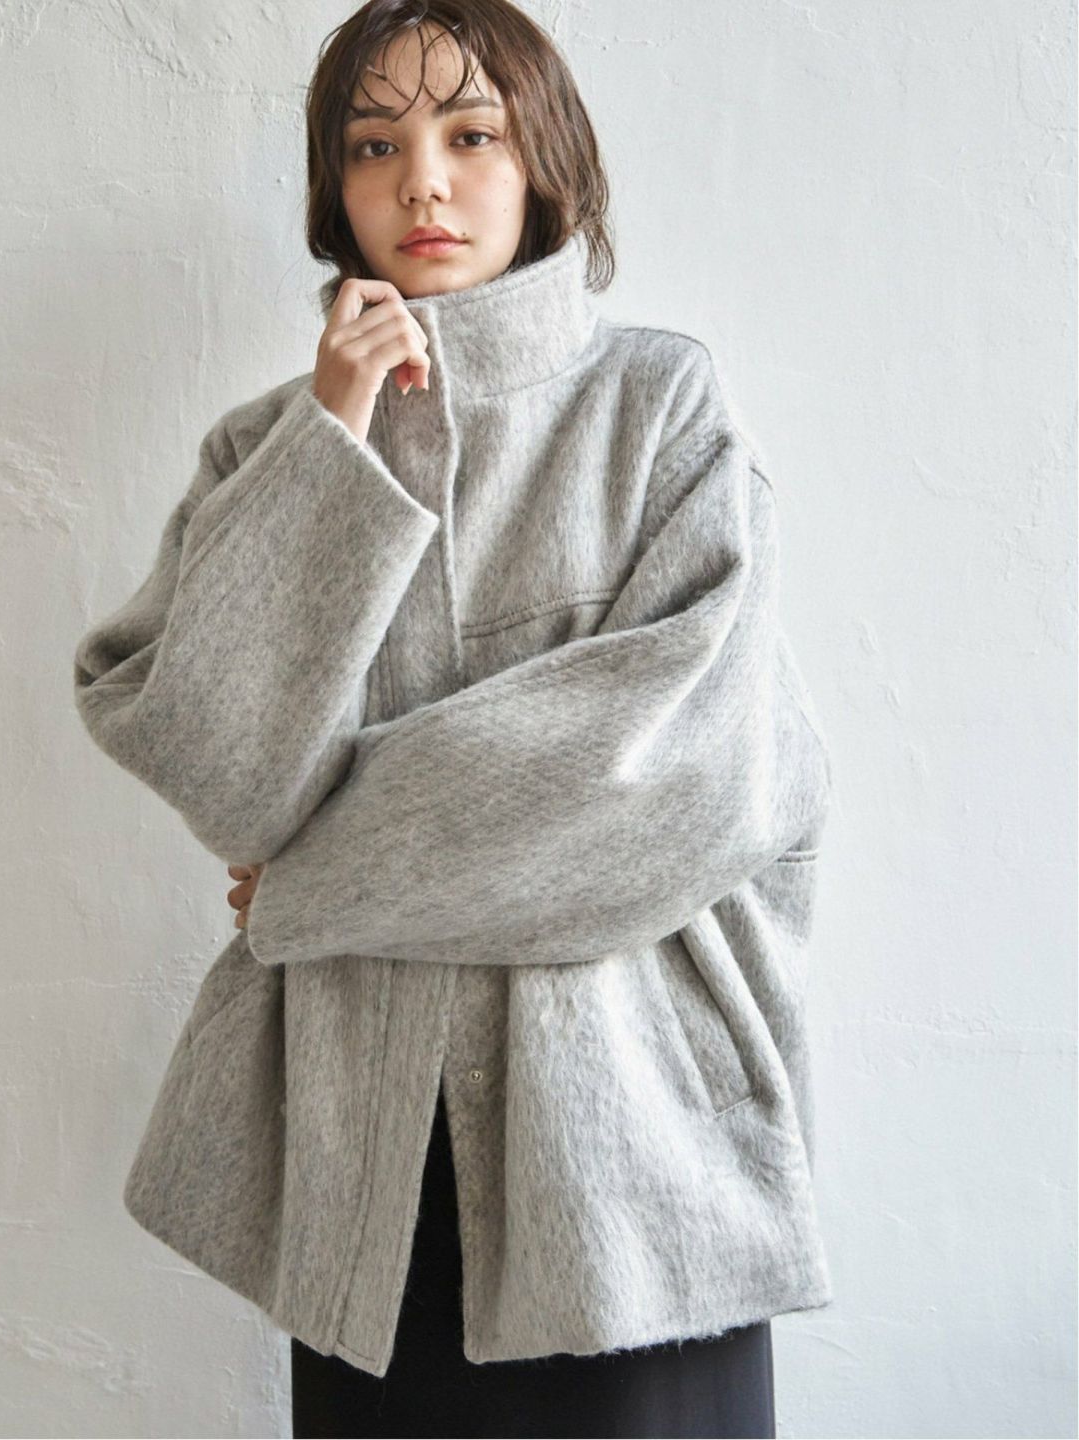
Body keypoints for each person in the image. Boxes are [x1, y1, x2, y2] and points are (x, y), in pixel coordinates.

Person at [72, 2, 834, 1437]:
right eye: (375, 146)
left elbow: (660, 783)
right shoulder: (266, 448)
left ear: (544, 159)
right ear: (335, 187)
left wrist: (312, 886)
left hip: (632, 1170)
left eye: (471, 134)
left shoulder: (658, 407)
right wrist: (331, 439)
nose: (421, 180)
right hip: (365, 1177)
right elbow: (228, 780)